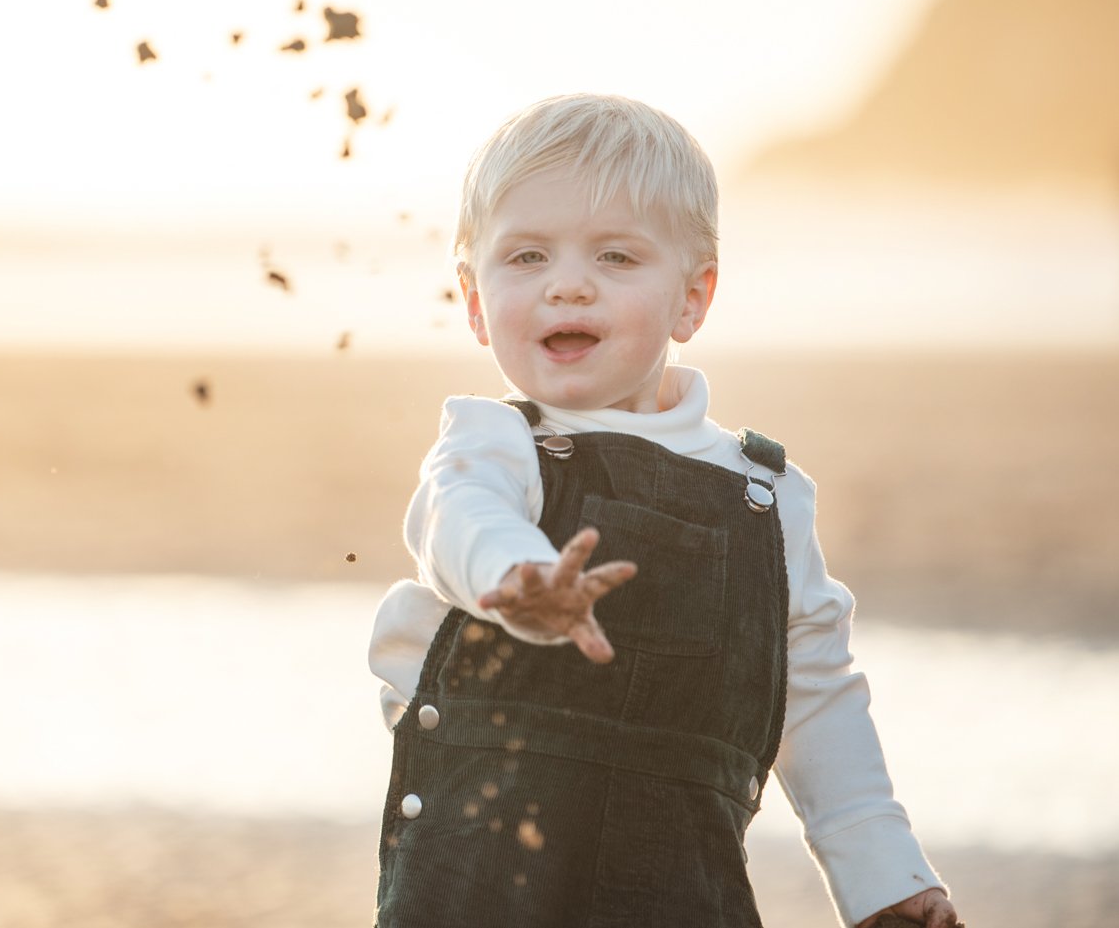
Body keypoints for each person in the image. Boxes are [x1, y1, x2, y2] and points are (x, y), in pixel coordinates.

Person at [367, 93, 959, 928]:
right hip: (483, 884)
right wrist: (518, 578)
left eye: (615, 257)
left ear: (693, 297)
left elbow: (815, 693)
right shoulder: (495, 443)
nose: (568, 285)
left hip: (680, 889)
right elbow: (455, 517)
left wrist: (882, 873)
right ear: (472, 299)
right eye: (528, 256)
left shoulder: (765, 495)